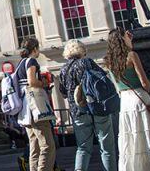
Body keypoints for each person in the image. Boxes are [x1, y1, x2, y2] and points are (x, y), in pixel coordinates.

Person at [105, 29, 150, 171]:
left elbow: (117, 88)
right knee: (149, 134)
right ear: (122, 39)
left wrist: (129, 41)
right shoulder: (132, 55)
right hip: (140, 97)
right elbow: (145, 83)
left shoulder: (108, 62)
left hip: (125, 102)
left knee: (132, 137)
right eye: (126, 36)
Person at [58, 39, 116, 171]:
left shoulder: (63, 70)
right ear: (82, 50)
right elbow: (102, 78)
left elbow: (63, 93)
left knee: (83, 148)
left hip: (78, 111)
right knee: (106, 147)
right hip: (98, 107)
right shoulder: (87, 62)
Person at [15, 37, 55, 171]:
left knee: (34, 145)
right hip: (35, 108)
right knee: (47, 145)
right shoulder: (31, 61)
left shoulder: (20, 63)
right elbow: (32, 82)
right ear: (35, 49)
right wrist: (44, 83)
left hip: (25, 110)